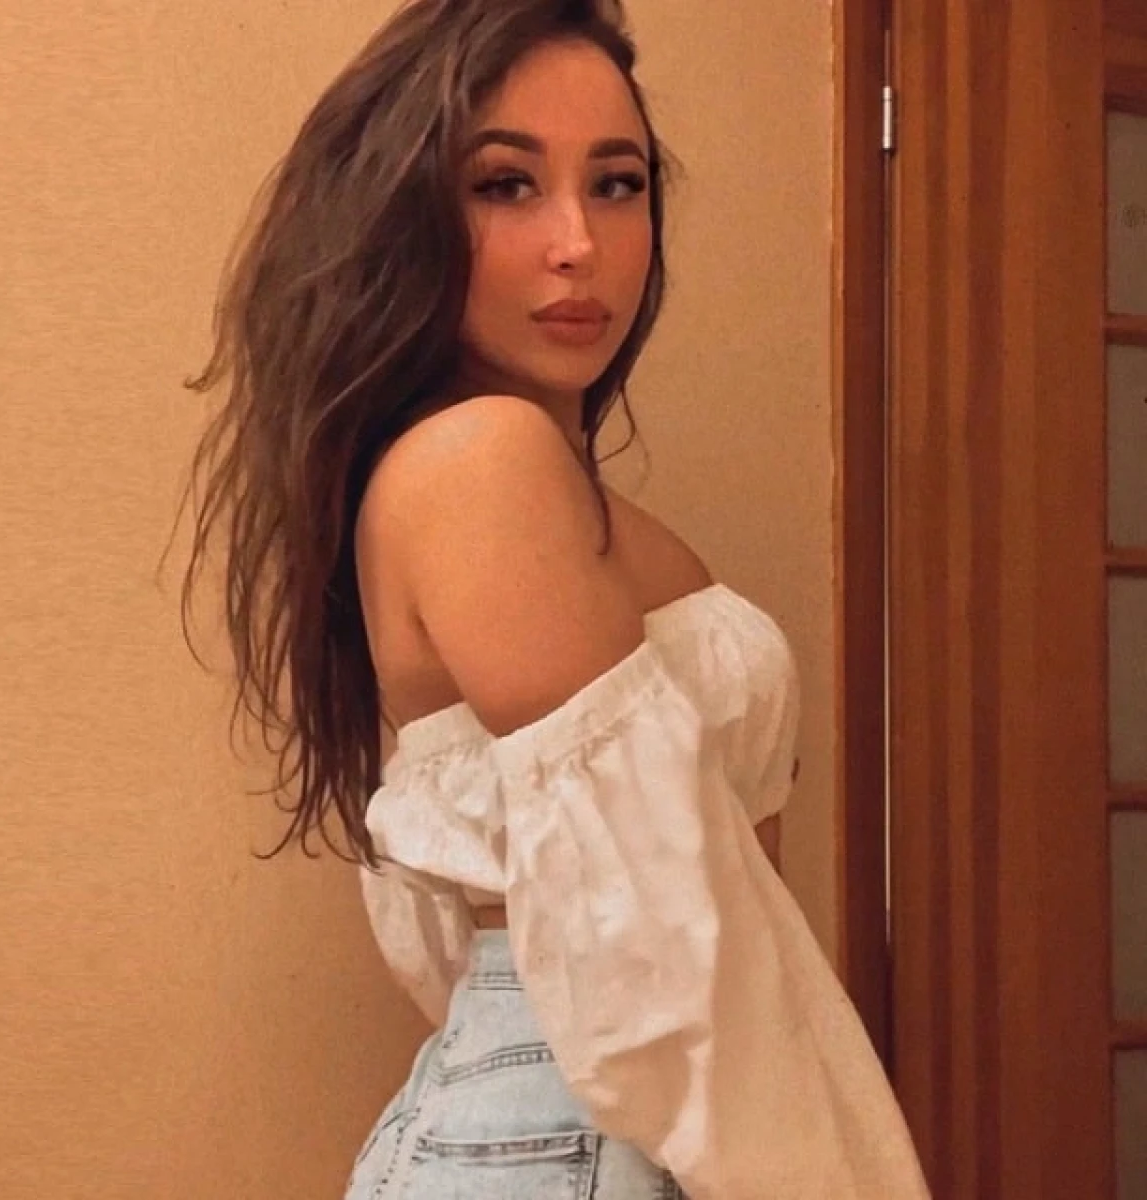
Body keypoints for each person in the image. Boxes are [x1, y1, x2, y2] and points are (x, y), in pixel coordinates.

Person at [163, 1, 932, 1196]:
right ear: (405, 213)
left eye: (617, 185)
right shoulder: (482, 464)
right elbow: (661, 936)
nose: (578, 243)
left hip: (593, 1111)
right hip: (596, 1122)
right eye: (506, 185)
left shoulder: (511, 483)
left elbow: (513, 922)